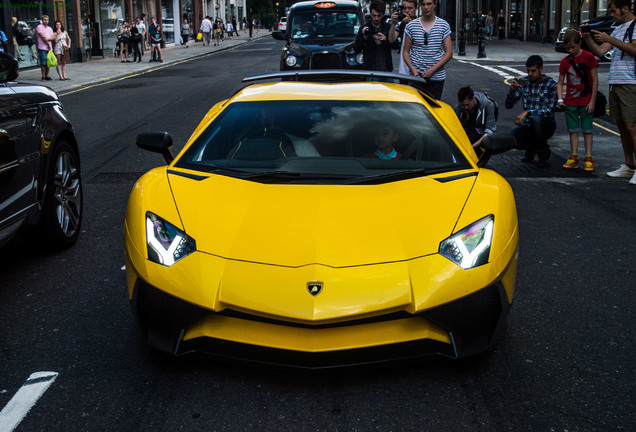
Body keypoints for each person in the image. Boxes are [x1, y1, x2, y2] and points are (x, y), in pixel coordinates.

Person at [583, 0, 636, 184]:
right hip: (616, 82)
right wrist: (587, 37)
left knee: (631, 126)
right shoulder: (618, 29)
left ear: (625, 9)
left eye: (614, 11)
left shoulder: (635, 26)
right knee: (622, 126)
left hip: (631, 83)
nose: (611, 15)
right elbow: (599, 52)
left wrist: (610, 39)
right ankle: (629, 165)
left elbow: (634, 49)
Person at [556, 29, 599, 172]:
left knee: (587, 130)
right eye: (568, 48)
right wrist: (560, 99)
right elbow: (560, 82)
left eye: (573, 47)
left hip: (586, 100)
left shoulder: (589, 57)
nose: (571, 51)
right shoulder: (565, 61)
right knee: (573, 130)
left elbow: (594, 80)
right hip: (571, 101)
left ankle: (588, 157)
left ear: (579, 43)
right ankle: (574, 156)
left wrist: (592, 101)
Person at [505, 55, 558, 168]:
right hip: (529, 125)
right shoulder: (524, 82)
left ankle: (543, 152)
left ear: (541, 69)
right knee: (512, 138)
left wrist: (528, 112)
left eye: (533, 71)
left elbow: (550, 110)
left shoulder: (551, 84)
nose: (530, 74)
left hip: (546, 125)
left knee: (536, 118)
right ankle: (532, 147)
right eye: (528, 71)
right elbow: (508, 105)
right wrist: (512, 91)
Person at [402, 0, 452, 99]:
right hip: (417, 76)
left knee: (434, 108)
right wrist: (413, 69)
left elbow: (449, 53)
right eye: (423, 4)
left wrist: (432, 70)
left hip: (437, 77)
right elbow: (405, 52)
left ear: (435, 4)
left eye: (429, 4)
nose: (426, 7)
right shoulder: (411, 26)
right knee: (417, 108)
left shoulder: (443, 25)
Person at [354, 0, 393, 72]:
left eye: (379, 16)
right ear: (370, 14)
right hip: (370, 69)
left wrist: (386, 39)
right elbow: (356, 49)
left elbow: (395, 46)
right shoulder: (364, 28)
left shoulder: (388, 27)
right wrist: (364, 38)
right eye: (374, 15)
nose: (376, 18)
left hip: (386, 69)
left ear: (383, 14)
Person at [389, 0, 418, 75]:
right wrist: (393, 23)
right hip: (404, 68)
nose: (407, 11)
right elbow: (391, 39)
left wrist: (410, 23)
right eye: (404, 8)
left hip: (418, 66)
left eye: (410, 8)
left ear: (416, 8)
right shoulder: (401, 24)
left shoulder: (420, 23)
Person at [36, 15, 55, 81]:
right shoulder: (39, 27)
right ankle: (43, 76)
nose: (46, 21)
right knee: (43, 62)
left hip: (49, 48)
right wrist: (48, 42)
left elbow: (53, 37)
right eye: (44, 19)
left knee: (48, 62)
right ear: (42, 20)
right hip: (42, 47)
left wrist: (48, 39)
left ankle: (47, 75)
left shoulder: (50, 28)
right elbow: (43, 37)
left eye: (47, 20)